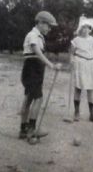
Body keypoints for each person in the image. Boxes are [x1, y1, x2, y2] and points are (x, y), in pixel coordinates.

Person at [19, 11, 61, 140]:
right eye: (48, 26)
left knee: (29, 99)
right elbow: (36, 51)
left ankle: (23, 130)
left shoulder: (39, 36)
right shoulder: (33, 35)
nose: (49, 29)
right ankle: (31, 130)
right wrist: (51, 65)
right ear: (41, 23)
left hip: (35, 70)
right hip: (31, 70)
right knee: (38, 99)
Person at [70, 16, 93, 123]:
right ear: (80, 29)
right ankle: (76, 112)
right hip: (80, 65)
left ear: (90, 29)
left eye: (87, 28)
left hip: (90, 65)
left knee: (90, 90)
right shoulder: (76, 40)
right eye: (83, 28)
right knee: (78, 88)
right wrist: (72, 60)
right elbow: (72, 53)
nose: (85, 30)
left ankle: (92, 114)